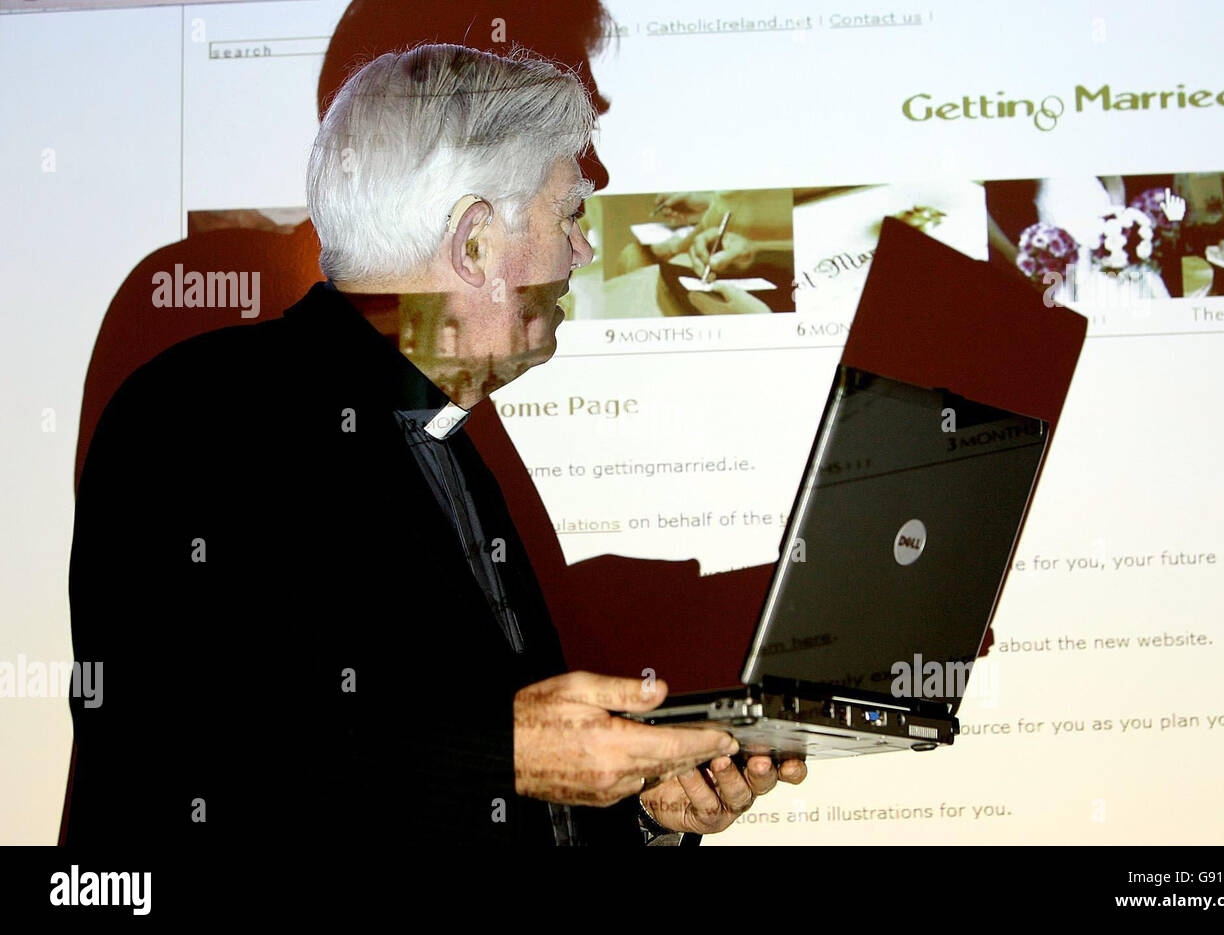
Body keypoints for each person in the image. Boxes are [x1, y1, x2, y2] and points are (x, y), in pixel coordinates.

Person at [67, 44, 805, 848]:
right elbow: (178, 760)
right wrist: (506, 752)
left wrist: (639, 812)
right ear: (476, 242)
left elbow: (453, 774)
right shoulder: (195, 416)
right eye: (570, 217)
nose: (584, 254)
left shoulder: (444, 441)